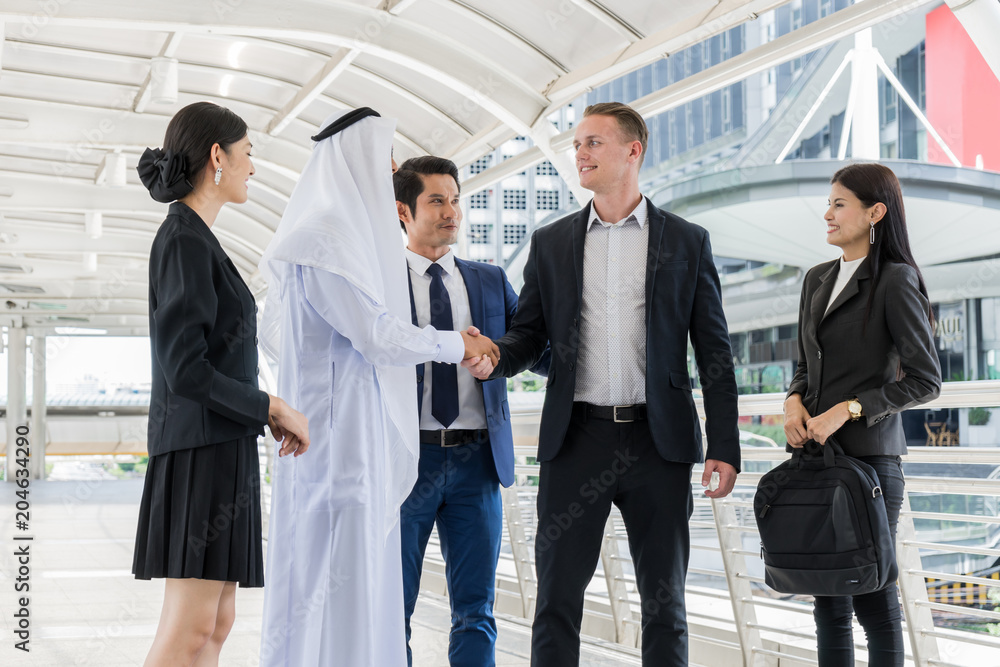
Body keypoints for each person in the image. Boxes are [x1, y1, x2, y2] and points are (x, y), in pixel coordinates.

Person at [469, 102, 741, 666]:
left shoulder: (687, 242)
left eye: (593, 142)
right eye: (577, 144)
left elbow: (714, 351)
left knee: (665, 606)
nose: (580, 153)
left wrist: (725, 447)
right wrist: (496, 355)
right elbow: (529, 336)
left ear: (632, 150)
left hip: (658, 444)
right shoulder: (552, 243)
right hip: (576, 441)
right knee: (557, 602)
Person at [257, 109, 498, 667]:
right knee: (345, 584)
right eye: (382, 159)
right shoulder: (326, 239)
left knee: (353, 587)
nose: (388, 170)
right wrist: (453, 344)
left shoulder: (331, 238)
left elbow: (278, 339)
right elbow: (376, 336)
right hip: (339, 448)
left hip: (349, 441)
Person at [132, 101, 311, 667]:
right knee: (191, 626)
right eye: (249, 154)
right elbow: (185, 370)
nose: (252, 167)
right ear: (218, 156)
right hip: (198, 451)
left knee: (215, 623)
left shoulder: (197, 237)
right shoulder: (183, 239)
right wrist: (270, 404)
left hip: (220, 446)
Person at [783, 162, 941, 667]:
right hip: (816, 459)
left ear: (875, 212)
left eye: (839, 204)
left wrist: (848, 410)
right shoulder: (816, 279)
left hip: (871, 462)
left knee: (872, 595)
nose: (826, 214)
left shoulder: (894, 281)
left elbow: (925, 380)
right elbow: (805, 367)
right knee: (826, 597)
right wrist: (792, 403)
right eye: (829, 202)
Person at [394, 156, 548, 666]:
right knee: (391, 607)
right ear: (403, 211)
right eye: (436, 200)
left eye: (456, 199)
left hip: (476, 463)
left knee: (477, 610)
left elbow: (539, 354)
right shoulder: (380, 283)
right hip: (404, 462)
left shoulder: (487, 280)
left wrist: (500, 358)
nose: (451, 212)